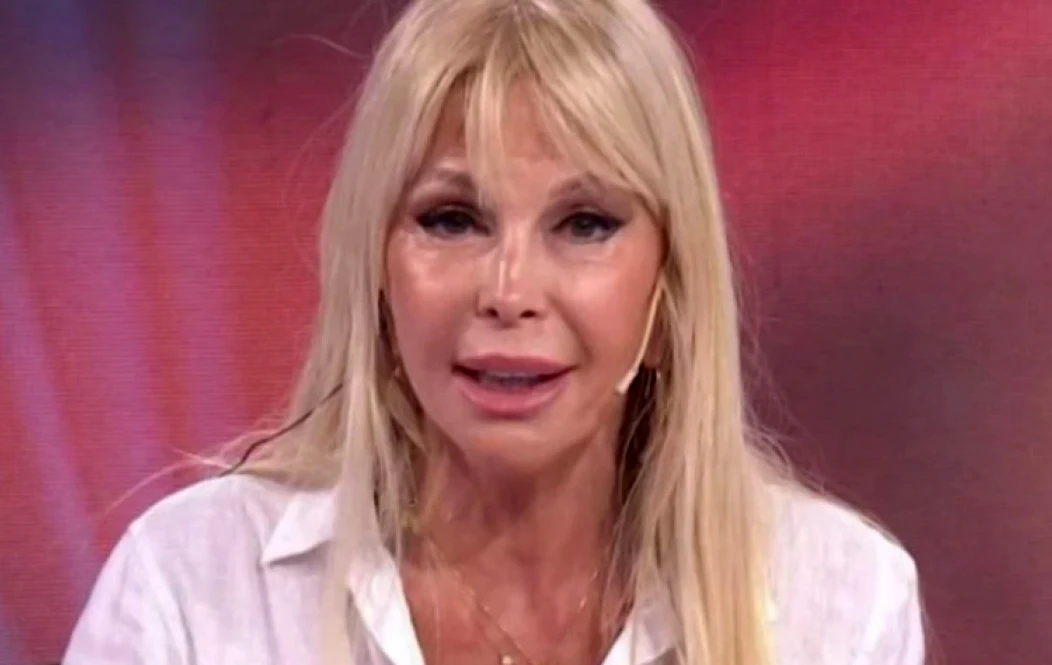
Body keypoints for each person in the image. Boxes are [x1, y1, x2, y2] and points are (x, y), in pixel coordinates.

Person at [64, 0, 925, 663]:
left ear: (669, 293)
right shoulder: (191, 587)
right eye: (452, 219)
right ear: (377, 278)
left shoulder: (838, 603)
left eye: (584, 223)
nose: (509, 292)